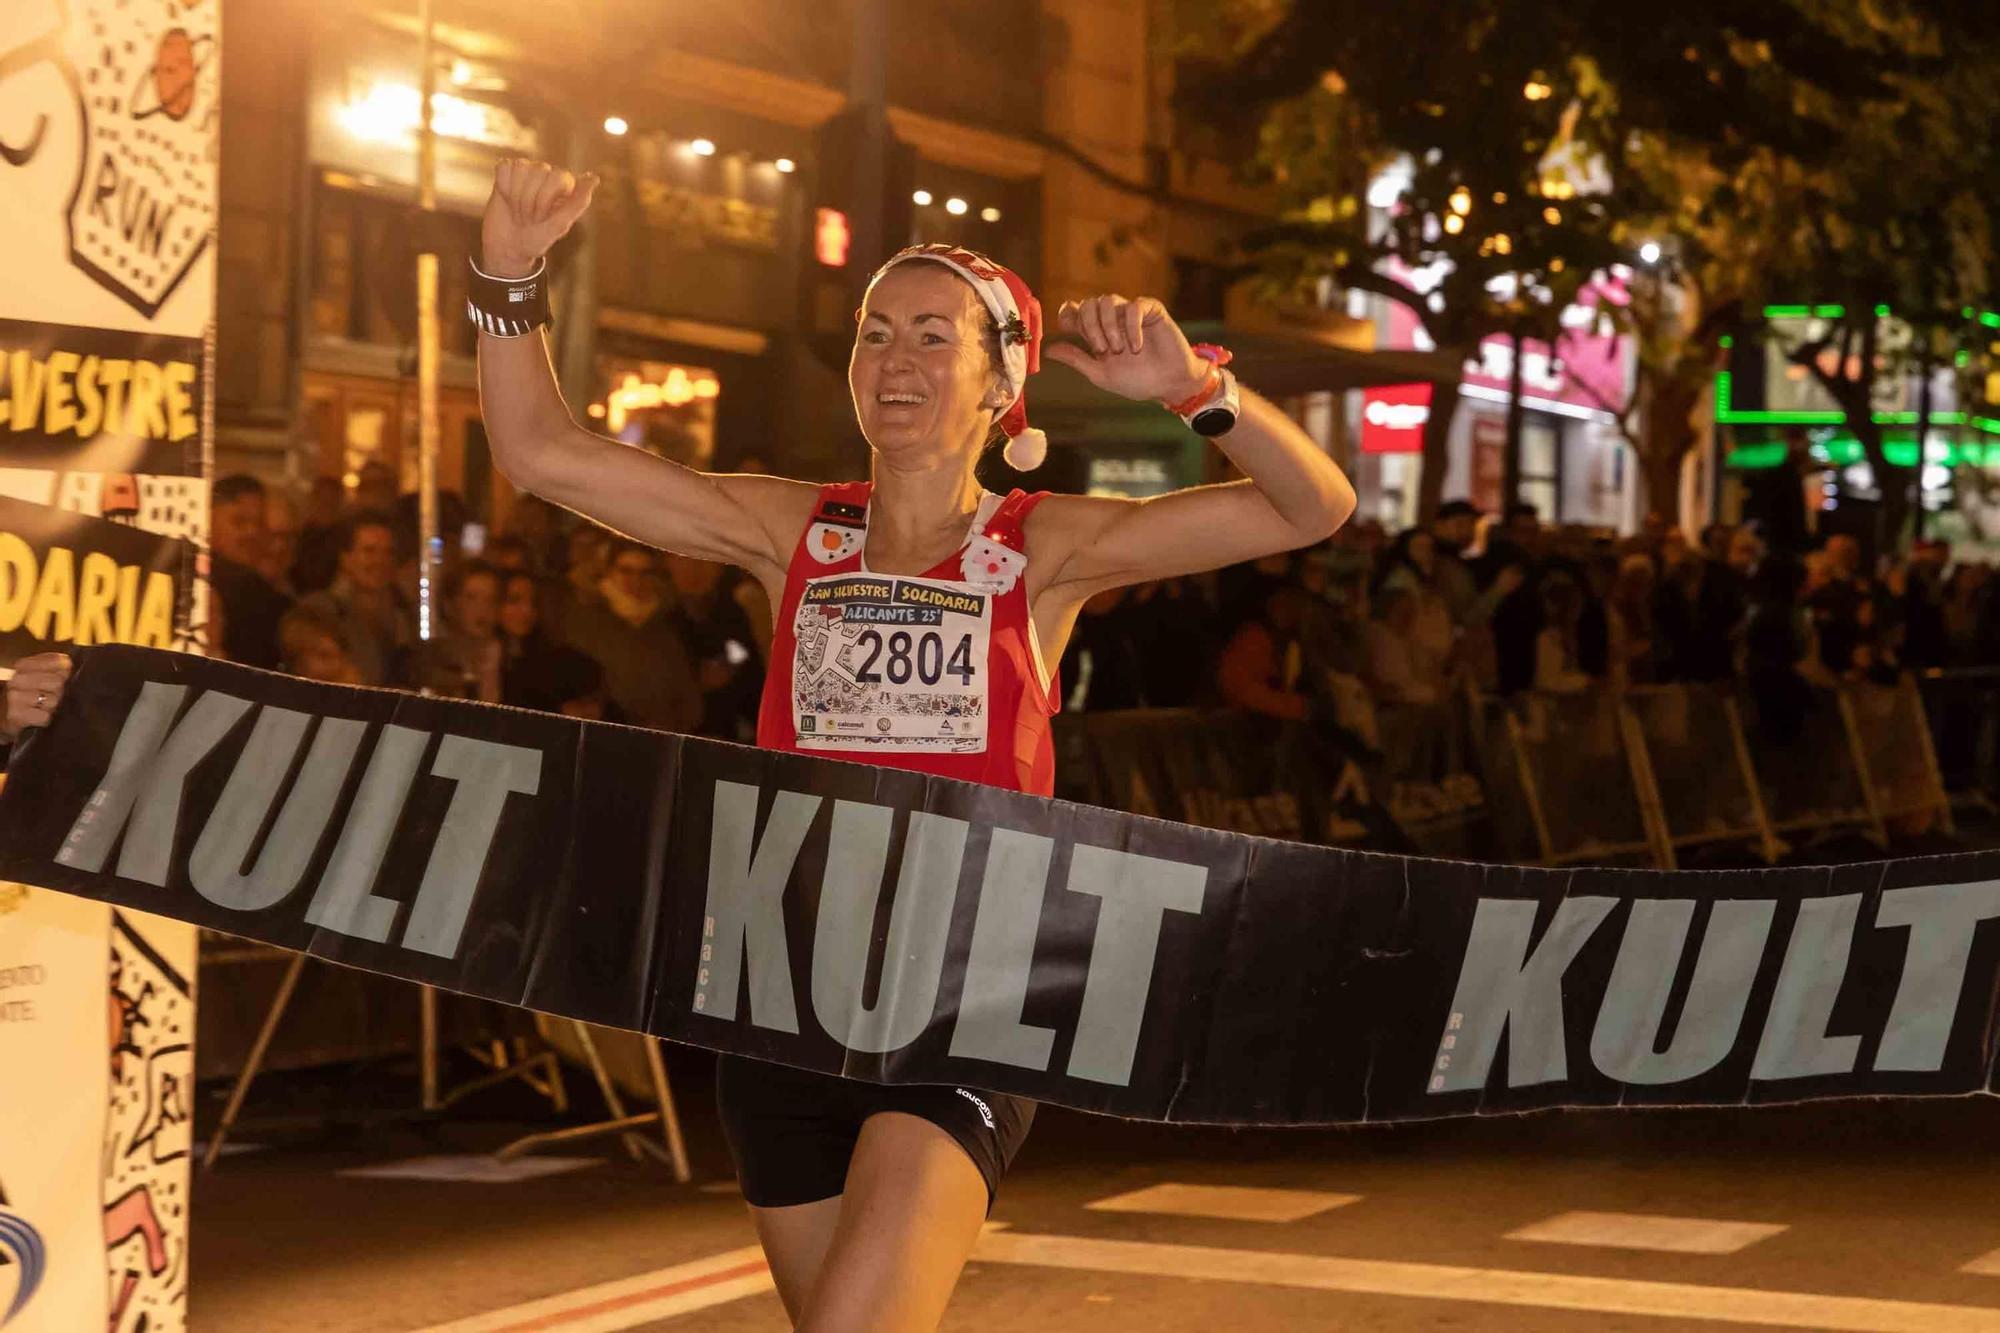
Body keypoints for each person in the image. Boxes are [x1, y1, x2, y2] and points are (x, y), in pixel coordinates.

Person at [473, 157, 1354, 1332]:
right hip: (780, 999)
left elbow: (1314, 507)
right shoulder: (794, 529)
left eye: (933, 336)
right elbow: (540, 453)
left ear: (1003, 383)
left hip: (960, 1001)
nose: (894, 359)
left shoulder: (1043, 551)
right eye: (875, 331)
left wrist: (1195, 386)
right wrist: (508, 270)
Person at [561, 541, 704, 733]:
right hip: (598, 737)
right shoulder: (586, 620)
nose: (636, 580)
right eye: (626, 571)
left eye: (644, 572)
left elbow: (687, 697)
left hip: (656, 742)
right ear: (609, 571)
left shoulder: (663, 629)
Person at [297, 512, 414, 687]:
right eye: (369, 551)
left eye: (388, 552)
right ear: (345, 558)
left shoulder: (403, 616)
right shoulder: (319, 611)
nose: (380, 561)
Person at [208, 474, 294, 670]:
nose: (252, 532)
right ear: (209, 521)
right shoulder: (249, 592)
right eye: (239, 522)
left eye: (260, 523)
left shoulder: (265, 590)